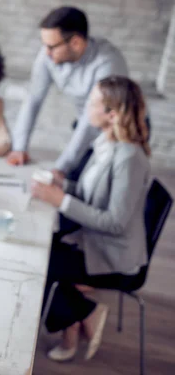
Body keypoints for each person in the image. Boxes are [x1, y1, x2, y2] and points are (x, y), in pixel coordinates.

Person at [31, 76, 151, 362]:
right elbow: (92, 193)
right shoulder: (106, 143)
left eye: (92, 102)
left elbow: (115, 222)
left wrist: (61, 200)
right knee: (43, 250)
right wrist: (61, 186)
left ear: (112, 114)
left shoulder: (129, 158)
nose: (85, 106)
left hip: (115, 258)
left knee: (42, 265)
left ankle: (86, 313)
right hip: (93, 242)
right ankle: (74, 323)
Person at [7, 6, 129, 182]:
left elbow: (90, 121)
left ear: (76, 43)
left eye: (51, 46)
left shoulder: (108, 63)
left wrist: (60, 167)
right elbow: (33, 98)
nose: (45, 52)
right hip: (89, 120)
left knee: (90, 183)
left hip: (119, 126)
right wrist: (19, 147)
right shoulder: (48, 54)